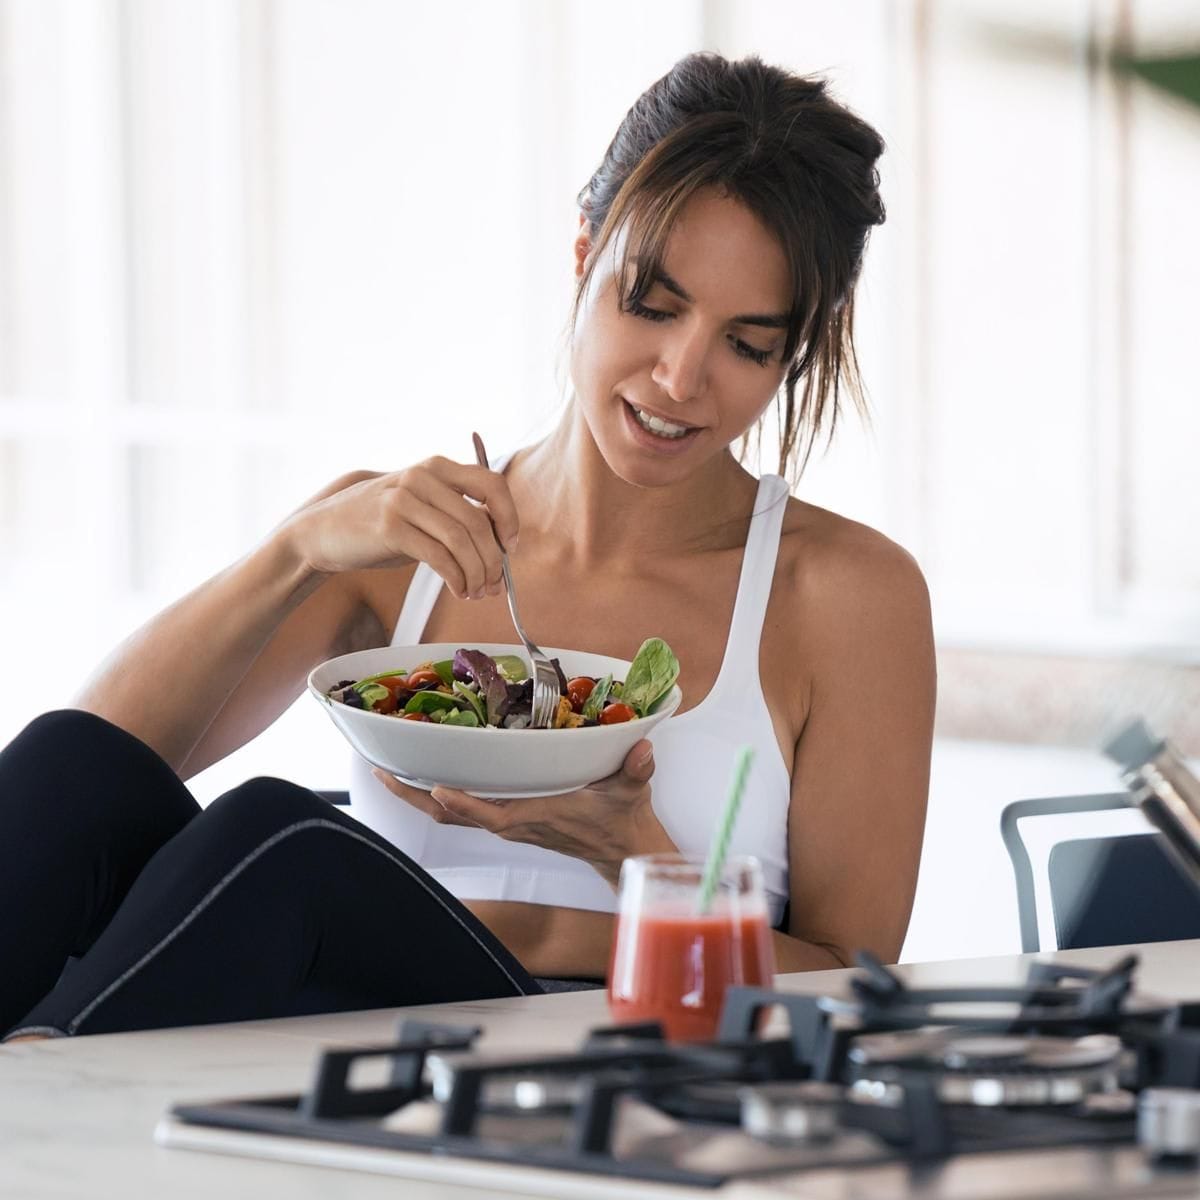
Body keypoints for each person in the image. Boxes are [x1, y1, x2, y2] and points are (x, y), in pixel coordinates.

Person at [0, 51, 935, 1042]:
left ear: (794, 353)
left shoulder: (841, 594)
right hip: (342, 1025)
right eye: (651, 305)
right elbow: (92, 777)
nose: (679, 376)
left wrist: (619, 870)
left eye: (747, 345)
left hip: (602, 1041)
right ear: (584, 255)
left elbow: (849, 976)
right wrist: (298, 551)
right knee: (72, 760)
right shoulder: (398, 536)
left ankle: (40, 1102)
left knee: (287, 843)